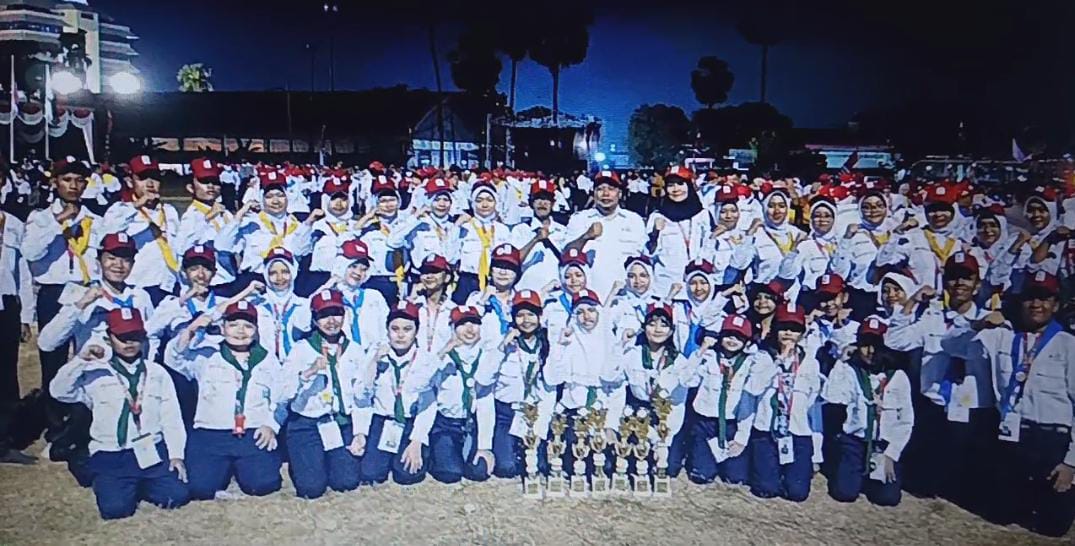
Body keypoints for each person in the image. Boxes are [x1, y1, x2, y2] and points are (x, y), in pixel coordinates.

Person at [49, 308, 189, 519]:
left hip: (150, 450)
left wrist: (176, 455)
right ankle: (91, 469)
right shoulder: (95, 372)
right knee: (116, 509)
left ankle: (138, 483)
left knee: (176, 496)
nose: (129, 343)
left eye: (135, 336)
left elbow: (171, 417)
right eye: (122, 337)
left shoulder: (156, 372)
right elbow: (58, 391)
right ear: (109, 337)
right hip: (111, 452)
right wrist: (80, 360)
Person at [969, 272, 1075, 537]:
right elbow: (951, 345)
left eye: (1044, 298)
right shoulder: (1003, 336)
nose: (1036, 304)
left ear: (1056, 305)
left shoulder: (1069, 345)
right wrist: (979, 324)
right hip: (1013, 436)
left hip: (1052, 441)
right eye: (1030, 298)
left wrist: (1071, 464)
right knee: (1000, 514)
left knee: (1053, 528)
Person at [164, 301, 285, 500]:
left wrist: (271, 425)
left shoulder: (268, 360)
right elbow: (173, 357)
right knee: (199, 488)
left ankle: (243, 468)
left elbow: (280, 399)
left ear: (256, 330)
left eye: (248, 326)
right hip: (211, 433)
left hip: (252, 431)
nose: (240, 331)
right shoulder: (206, 356)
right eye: (233, 325)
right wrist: (191, 329)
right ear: (222, 328)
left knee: (263, 484)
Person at [21, 158, 102, 440]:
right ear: (55, 182)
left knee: (87, 354)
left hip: (85, 290)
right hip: (54, 292)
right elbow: (30, 253)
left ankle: (84, 419)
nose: (73, 186)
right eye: (67, 180)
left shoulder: (95, 219)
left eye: (79, 180)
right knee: (53, 357)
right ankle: (55, 421)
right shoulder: (40, 218)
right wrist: (59, 222)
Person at [280, 289, 370, 499]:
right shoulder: (301, 349)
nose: (331, 321)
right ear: (314, 319)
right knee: (311, 488)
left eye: (336, 313)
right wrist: (308, 373)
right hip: (307, 423)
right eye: (324, 315)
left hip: (339, 422)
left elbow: (361, 397)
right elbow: (283, 393)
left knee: (346, 482)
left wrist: (360, 432)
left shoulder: (354, 351)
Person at [823, 318, 913, 506]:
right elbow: (832, 396)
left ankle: (872, 477)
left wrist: (892, 453)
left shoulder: (898, 377)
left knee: (887, 498)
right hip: (855, 442)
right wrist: (841, 361)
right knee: (844, 493)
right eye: (865, 345)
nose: (871, 351)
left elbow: (906, 420)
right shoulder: (849, 371)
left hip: (884, 446)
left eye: (876, 345)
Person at [741, 303, 821, 502]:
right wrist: (779, 361)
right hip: (766, 431)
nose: (788, 334)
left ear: (802, 333)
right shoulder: (762, 357)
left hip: (797, 432)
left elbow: (813, 403)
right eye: (783, 328)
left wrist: (817, 453)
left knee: (797, 493)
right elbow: (753, 388)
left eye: (794, 329)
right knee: (766, 489)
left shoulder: (810, 362)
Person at [413, 305, 499, 483]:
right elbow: (421, 386)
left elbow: (485, 402)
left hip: (471, 424)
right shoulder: (441, 357)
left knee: (479, 471)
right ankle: (436, 453)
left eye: (474, 323)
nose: (469, 329)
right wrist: (444, 351)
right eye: (462, 324)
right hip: (446, 424)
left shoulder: (486, 356)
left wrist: (484, 446)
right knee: (449, 473)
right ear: (452, 328)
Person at [678, 313, 763, 485]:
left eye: (739, 337)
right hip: (704, 422)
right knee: (702, 475)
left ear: (747, 342)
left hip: (731, 424)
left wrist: (741, 438)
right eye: (729, 335)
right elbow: (686, 380)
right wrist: (701, 351)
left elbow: (748, 404)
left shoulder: (750, 363)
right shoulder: (708, 357)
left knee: (735, 477)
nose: (732, 340)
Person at [354, 301, 433, 485]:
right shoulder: (376, 353)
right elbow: (362, 395)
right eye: (395, 329)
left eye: (407, 329)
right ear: (387, 330)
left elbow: (428, 406)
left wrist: (417, 441)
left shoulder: (425, 360)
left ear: (416, 331)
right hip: (382, 420)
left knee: (408, 475)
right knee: (371, 473)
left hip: (409, 421)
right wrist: (374, 363)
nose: (400, 335)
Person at [489, 289, 556, 478]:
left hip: (534, 412)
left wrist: (541, 427)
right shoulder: (503, 342)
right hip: (507, 413)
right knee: (506, 468)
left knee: (539, 466)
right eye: (520, 315)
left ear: (540, 316)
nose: (526, 320)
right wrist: (502, 347)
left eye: (531, 314)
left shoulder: (546, 344)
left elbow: (551, 386)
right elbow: (485, 378)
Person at [217, 171, 319, 293]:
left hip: (289, 284)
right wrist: (239, 214)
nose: (276, 201)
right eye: (269, 197)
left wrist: (308, 224)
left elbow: (301, 252)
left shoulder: (298, 226)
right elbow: (221, 245)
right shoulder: (250, 224)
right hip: (256, 284)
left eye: (280, 195)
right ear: (261, 198)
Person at [100, 156, 181, 305]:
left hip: (168, 282)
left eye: (155, 178)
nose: (150, 184)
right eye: (142, 178)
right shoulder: (120, 210)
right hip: (139, 284)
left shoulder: (169, 210)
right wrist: (137, 205)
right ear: (130, 181)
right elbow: (105, 234)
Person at [564, 170, 647, 298]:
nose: (606, 194)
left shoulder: (634, 220)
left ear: (619, 193)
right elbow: (566, 253)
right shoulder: (580, 219)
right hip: (590, 296)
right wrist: (586, 236)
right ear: (594, 193)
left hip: (626, 296)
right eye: (600, 189)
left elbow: (644, 257)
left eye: (611, 189)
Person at [0, 204, 36, 464]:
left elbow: (23, 272)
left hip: (6, 305)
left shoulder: (13, 223)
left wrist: (25, 317)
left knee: (6, 376)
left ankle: (3, 443)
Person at [176, 158, 237, 295]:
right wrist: (208, 218)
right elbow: (181, 247)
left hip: (229, 277)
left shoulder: (225, 213)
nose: (210, 186)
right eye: (204, 182)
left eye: (215, 182)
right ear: (190, 187)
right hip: (206, 282)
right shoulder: (192, 215)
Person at [646, 166, 710, 295]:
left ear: (689, 186)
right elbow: (649, 253)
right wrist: (655, 233)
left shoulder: (702, 215)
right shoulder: (657, 216)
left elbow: (709, 246)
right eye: (671, 185)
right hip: (666, 287)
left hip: (697, 288)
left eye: (680, 184)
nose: (676, 189)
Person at [453, 180, 510, 304]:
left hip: (495, 281)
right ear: (473, 204)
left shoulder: (503, 230)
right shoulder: (464, 227)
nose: (484, 205)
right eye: (479, 201)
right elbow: (450, 257)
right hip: (469, 281)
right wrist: (456, 227)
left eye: (489, 200)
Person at [357, 176, 407, 306]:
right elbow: (348, 239)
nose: (388, 205)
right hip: (378, 280)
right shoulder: (368, 228)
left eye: (392, 200)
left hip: (405, 280)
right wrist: (366, 218)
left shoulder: (407, 224)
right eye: (383, 201)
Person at [512, 179, 568, 293]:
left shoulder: (562, 230)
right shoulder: (520, 230)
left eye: (546, 199)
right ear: (531, 202)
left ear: (553, 203)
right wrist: (535, 239)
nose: (542, 203)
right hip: (527, 290)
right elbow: (513, 260)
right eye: (538, 199)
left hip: (556, 291)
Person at [254, 248, 311, 361]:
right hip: (264, 366)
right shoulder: (257, 305)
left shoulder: (304, 305)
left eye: (285, 272)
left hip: (298, 365)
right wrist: (246, 292)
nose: (279, 278)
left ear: (293, 272)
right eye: (273, 273)